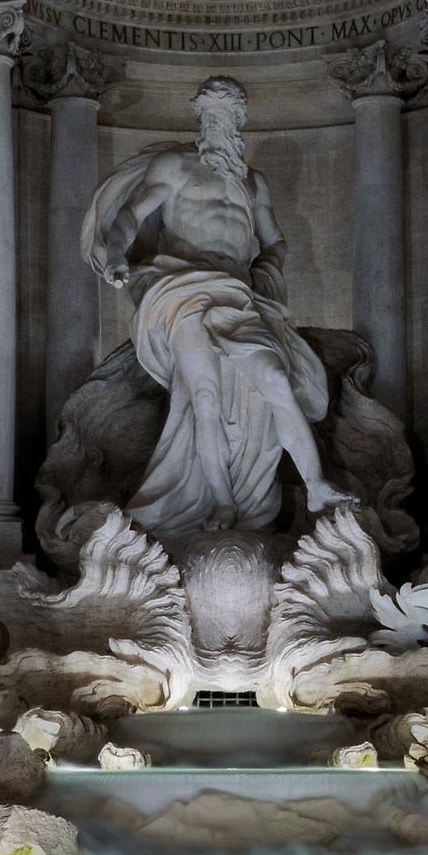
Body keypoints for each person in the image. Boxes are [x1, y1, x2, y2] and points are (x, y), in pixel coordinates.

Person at [81, 75, 347, 539]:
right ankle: (223, 501)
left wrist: (265, 273)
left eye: (228, 114)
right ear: (199, 118)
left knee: (276, 379)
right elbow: (130, 216)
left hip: (238, 294)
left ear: (241, 120)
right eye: (211, 114)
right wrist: (120, 254)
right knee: (203, 397)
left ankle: (317, 485)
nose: (219, 122)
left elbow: (275, 241)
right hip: (182, 288)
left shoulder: (253, 182)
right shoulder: (175, 164)